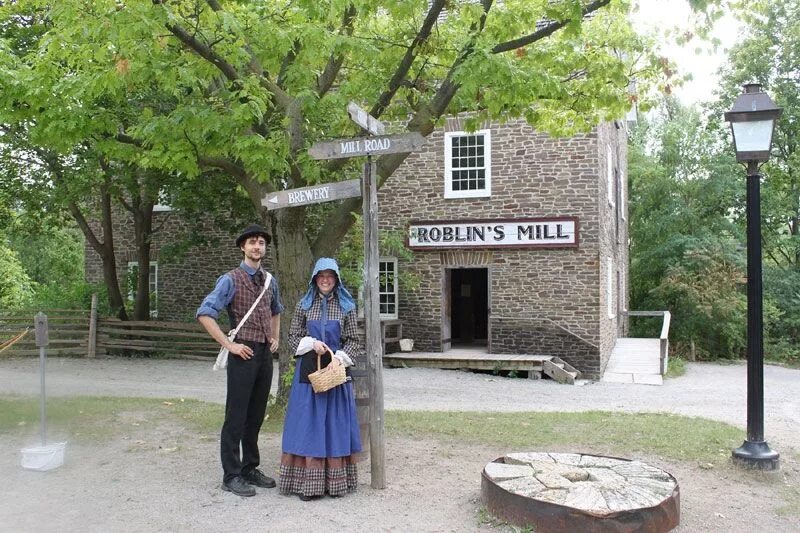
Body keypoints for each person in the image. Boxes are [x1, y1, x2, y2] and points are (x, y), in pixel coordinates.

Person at [197, 224, 284, 497]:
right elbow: (205, 313)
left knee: (256, 415)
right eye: (252, 243)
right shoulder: (230, 279)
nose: (257, 247)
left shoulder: (270, 281)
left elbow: (276, 311)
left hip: (264, 355)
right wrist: (229, 344)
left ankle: (249, 468)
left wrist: (275, 338)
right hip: (243, 353)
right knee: (236, 416)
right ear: (242, 247)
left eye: (261, 243)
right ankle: (231, 474)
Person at [280, 257, 362, 501]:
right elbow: (293, 337)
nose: (325, 280)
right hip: (308, 373)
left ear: (336, 279)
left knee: (334, 425)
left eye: (330, 275)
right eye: (321, 275)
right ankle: (308, 483)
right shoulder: (304, 305)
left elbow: (355, 342)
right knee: (307, 425)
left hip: (336, 373)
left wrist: (340, 357)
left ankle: (335, 483)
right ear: (314, 279)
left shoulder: (347, 306)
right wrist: (311, 343)